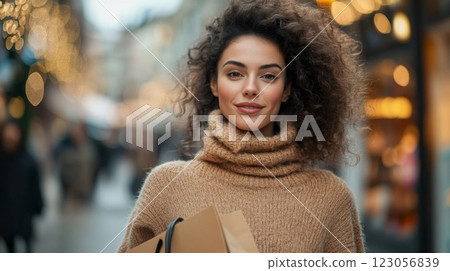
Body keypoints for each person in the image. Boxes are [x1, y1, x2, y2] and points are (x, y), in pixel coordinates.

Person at [118, 0, 366, 253]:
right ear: (214, 83)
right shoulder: (166, 186)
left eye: (268, 76)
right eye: (235, 73)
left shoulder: (331, 197)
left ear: (287, 90)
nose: (250, 88)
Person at [0, 119, 44, 253]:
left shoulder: (29, 160)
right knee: (9, 247)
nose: (11, 137)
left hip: (24, 213)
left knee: (27, 247)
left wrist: (38, 206)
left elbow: (35, 186)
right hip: (5, 213)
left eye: (14, 132)